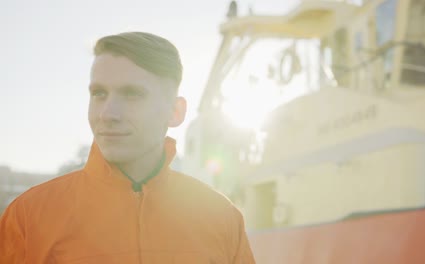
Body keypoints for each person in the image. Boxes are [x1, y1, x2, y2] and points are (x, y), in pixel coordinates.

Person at [0, 32, 256, 263]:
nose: (107, 114)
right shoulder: (28, 217)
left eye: (132, 94)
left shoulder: (222, 219)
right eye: (99, 93)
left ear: (175, 112)